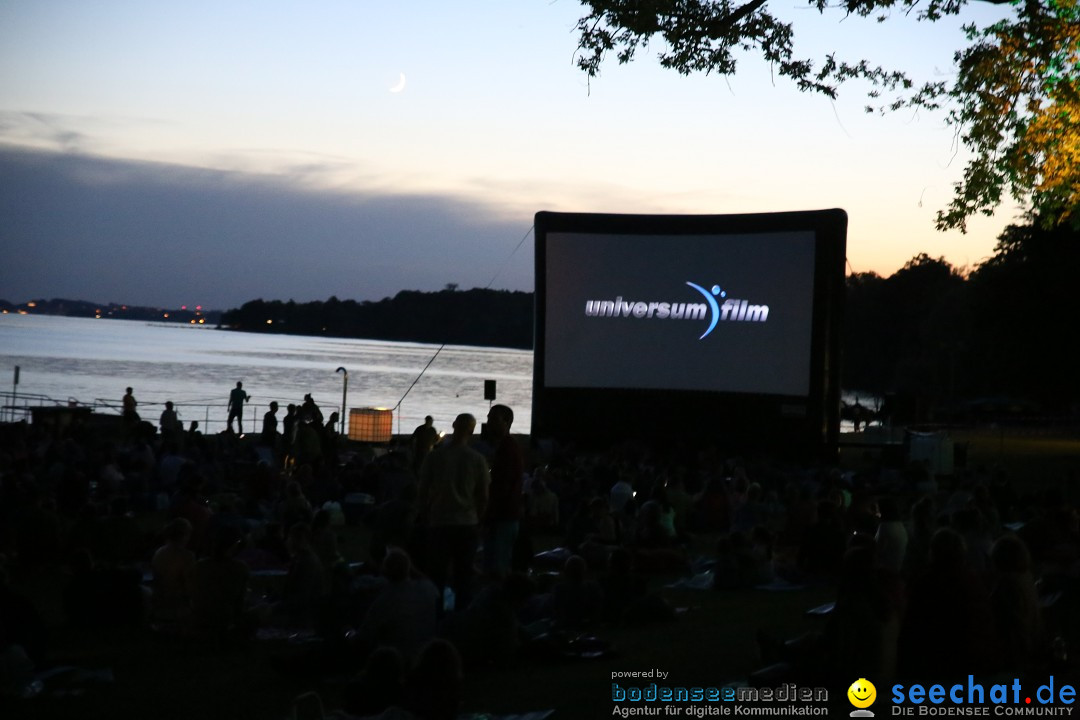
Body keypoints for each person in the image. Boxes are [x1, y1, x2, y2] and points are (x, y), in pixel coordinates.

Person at [417, 413, 489, 611]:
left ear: (454, 425)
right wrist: (478, 519)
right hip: (467, 523)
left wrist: (425, 515)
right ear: (472, 431)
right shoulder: (477, 460)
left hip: (439, 522)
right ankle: (461, 620)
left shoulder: (435, 457)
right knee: (464, 576)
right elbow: (483, 496)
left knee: (436, 575)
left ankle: (436, 617)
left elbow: (422, 491)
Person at [482, 404, 523, 578]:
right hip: (505, 515)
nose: (489, 422)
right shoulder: (508, 446)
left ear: (506, 422)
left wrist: (490, 512)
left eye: (493, 418)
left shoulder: (507, 448)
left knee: (497, 565)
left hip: (502, 516)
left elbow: (503, 485)